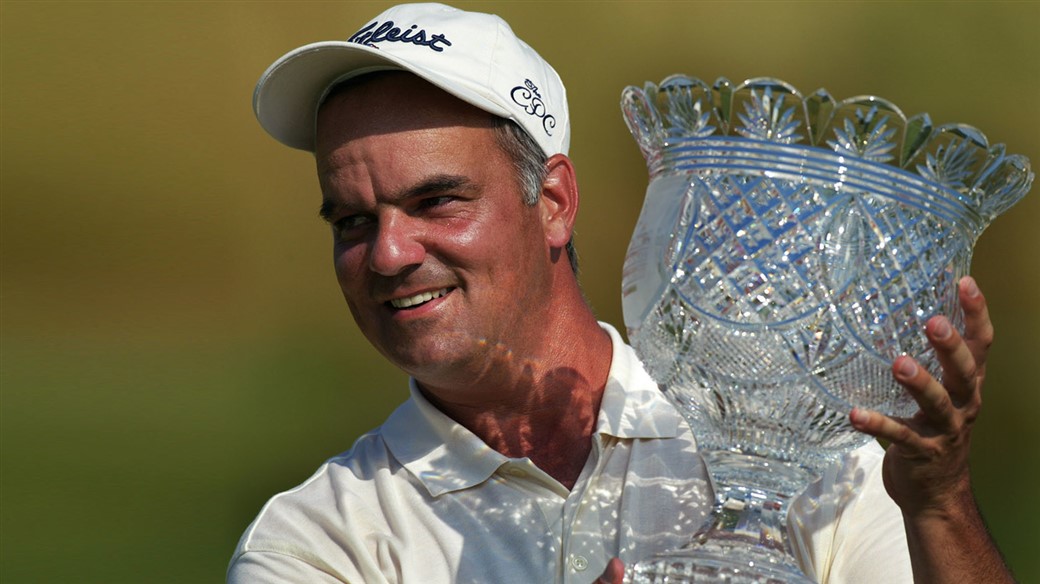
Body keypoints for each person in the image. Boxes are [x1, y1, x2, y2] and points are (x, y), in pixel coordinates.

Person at [229, 3, 1013, 583]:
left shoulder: (798, 451)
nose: (388, 254)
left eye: (437, 201)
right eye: (354, 221)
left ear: (554, 203)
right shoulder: (318, 542)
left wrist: (940, 504)